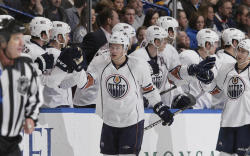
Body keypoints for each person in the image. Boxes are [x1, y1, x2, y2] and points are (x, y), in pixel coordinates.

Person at [81, 31, 174, 156]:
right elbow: (84, 83)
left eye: (117, 47)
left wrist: (159, 106)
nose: (113, 50)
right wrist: (77, 71)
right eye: (111, 46)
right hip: (109, 121)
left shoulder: (138, 65)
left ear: (125, 48)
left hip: (132, 122)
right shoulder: (100, 62)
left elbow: (149, 90)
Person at [130, 26, 216, 108]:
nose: (166, 43)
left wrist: (191, 70)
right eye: (163, 40)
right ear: (155, 41)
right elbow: (129, 81)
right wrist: (134, 97)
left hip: (159, 104)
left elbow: (174, 74)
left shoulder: (168, 51)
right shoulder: (136, 57)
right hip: (138, 106)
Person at [0, 15, 43, 156]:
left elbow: (34, 95)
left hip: (11, 143)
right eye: (16, 39)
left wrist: (31, 116)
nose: (22, 44)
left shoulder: (25, 65)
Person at [207, 39, 250, 156]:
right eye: (238, 50)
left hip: (246, 123)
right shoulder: (226, 68)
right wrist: (206, 79)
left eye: (244, 52)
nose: (239, 54)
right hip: (227, 121)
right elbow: (215, 89)